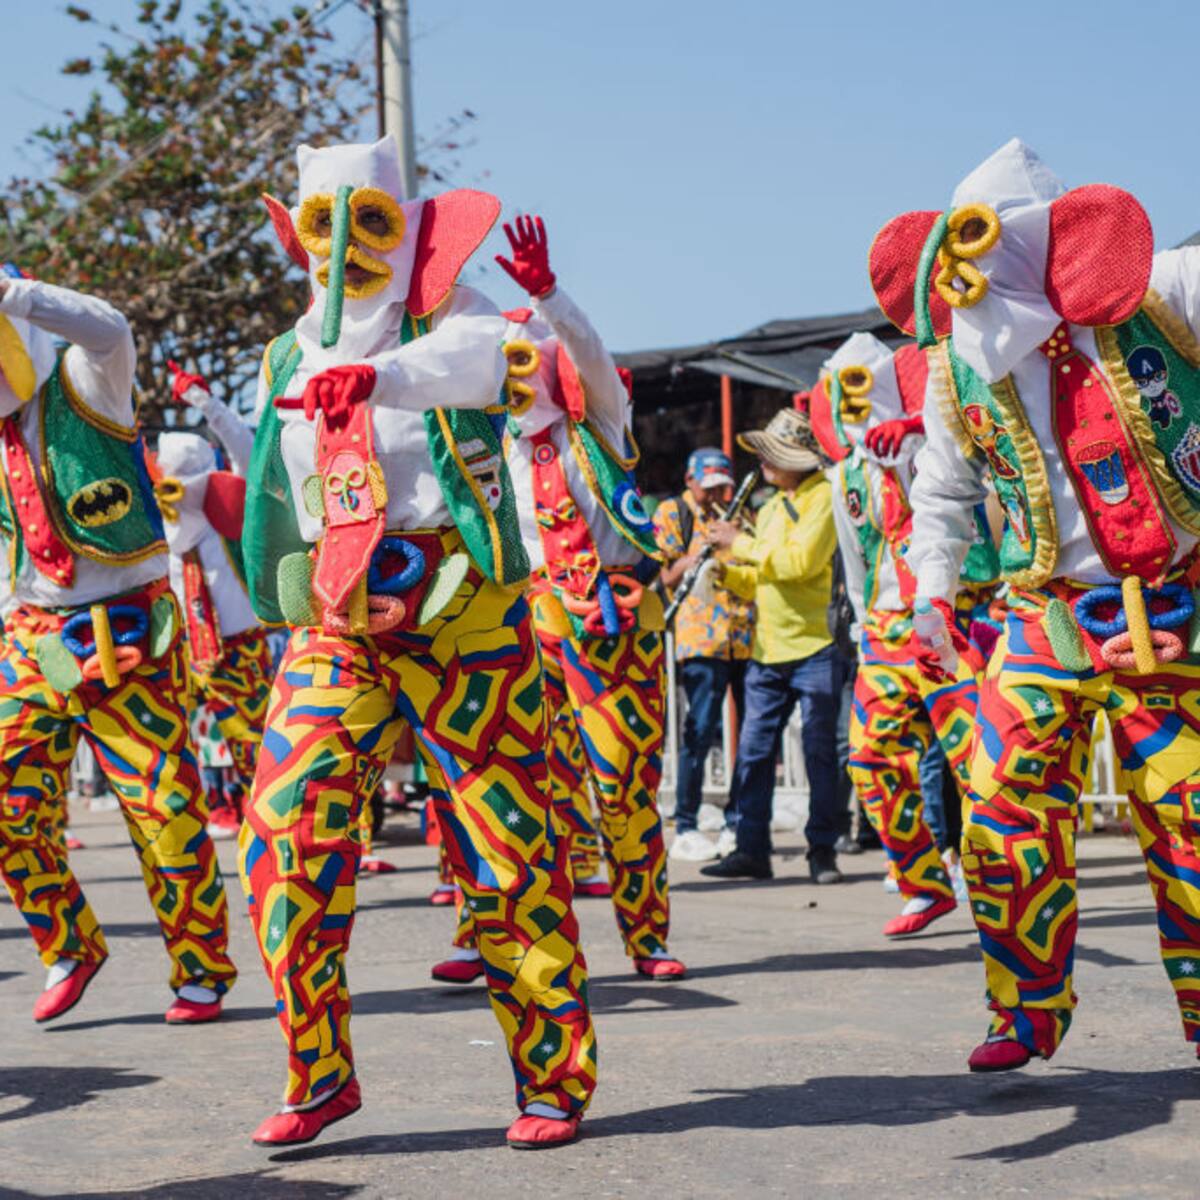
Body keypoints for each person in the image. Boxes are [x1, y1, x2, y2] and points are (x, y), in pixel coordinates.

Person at [238, 140, 594, 1149]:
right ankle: (318, 1075)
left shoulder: (458, 315)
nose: (346, 247)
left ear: (410, 231)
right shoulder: (282, 352)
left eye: (371, 225)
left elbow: (483, 367)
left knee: (505, 849)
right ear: (297, 235)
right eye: (323, 226)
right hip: (336, 612)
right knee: (282, 832)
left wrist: (376, 372)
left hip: (463, 606)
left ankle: (551, 1078)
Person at [870, 137, 1200, 1070]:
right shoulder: (957, 362)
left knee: (1191, 819)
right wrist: (929, 598)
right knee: (998, 801)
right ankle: (1024, 1008)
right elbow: (940, 492)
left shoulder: (1167, 290)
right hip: (1042, 611)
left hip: (1177, 605)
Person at [432, 214, 685, 984]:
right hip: (524, 622)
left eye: (520, 363)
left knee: (623, 788)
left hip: (614, 629)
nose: (510, 383)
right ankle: (484, 933)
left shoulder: (599, 427)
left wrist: (548, 294)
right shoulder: (488, 450)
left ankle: (647, 939)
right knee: (500, 784)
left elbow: (592, 357)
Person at [0, 264, 237, 1025]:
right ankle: (67, 943)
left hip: (129, 620)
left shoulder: (83, 379)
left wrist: (18, 295)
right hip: (33, 635)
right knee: (6, 800)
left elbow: (111, 327)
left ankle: (200, 966)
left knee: (163, 806)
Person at [806, 331, 999, 936]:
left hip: (952, 613)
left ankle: (1000, 880)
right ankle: (923, 883)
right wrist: (866, 626)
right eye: (844, 392)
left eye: (863, 387)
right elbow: (855, 557)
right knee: (868, 758)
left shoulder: (934, 445)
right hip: (886, 628)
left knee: (978, 759)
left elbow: (982, 488)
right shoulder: (846, 477)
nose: (854, 405)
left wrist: (919, 428)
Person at [699, 408, 844, 884]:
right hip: (768, 650)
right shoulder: (769, 507)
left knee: (821, 753)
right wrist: (723, 569)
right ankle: (751, 847)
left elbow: (800, 563)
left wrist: (738, 543)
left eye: (771, 453)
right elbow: (763, 576)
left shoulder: (824, 497)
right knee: (754, 753)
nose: (762, 461)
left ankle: (822, 848)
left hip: (816, 645)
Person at [153, 362, 272, 842]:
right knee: (175, 741)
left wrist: (207, 404)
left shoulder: (230, 509)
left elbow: (246, 450)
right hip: (181, 648)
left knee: (256, 742)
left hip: (238, 645)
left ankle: (265, 821)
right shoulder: (159, 521)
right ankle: (193, 821)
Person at [654, 448, 754, 862]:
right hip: (701, 637)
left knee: (751, 734)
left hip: (746, 635)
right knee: (701, 729)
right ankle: (687, 822)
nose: (716, 494)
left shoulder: (741, 515)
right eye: (709, 486)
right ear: (692, 481)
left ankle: (739, 820)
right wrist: (701, 554)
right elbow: (663, 573)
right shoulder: (674, 511)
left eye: (722, 486)